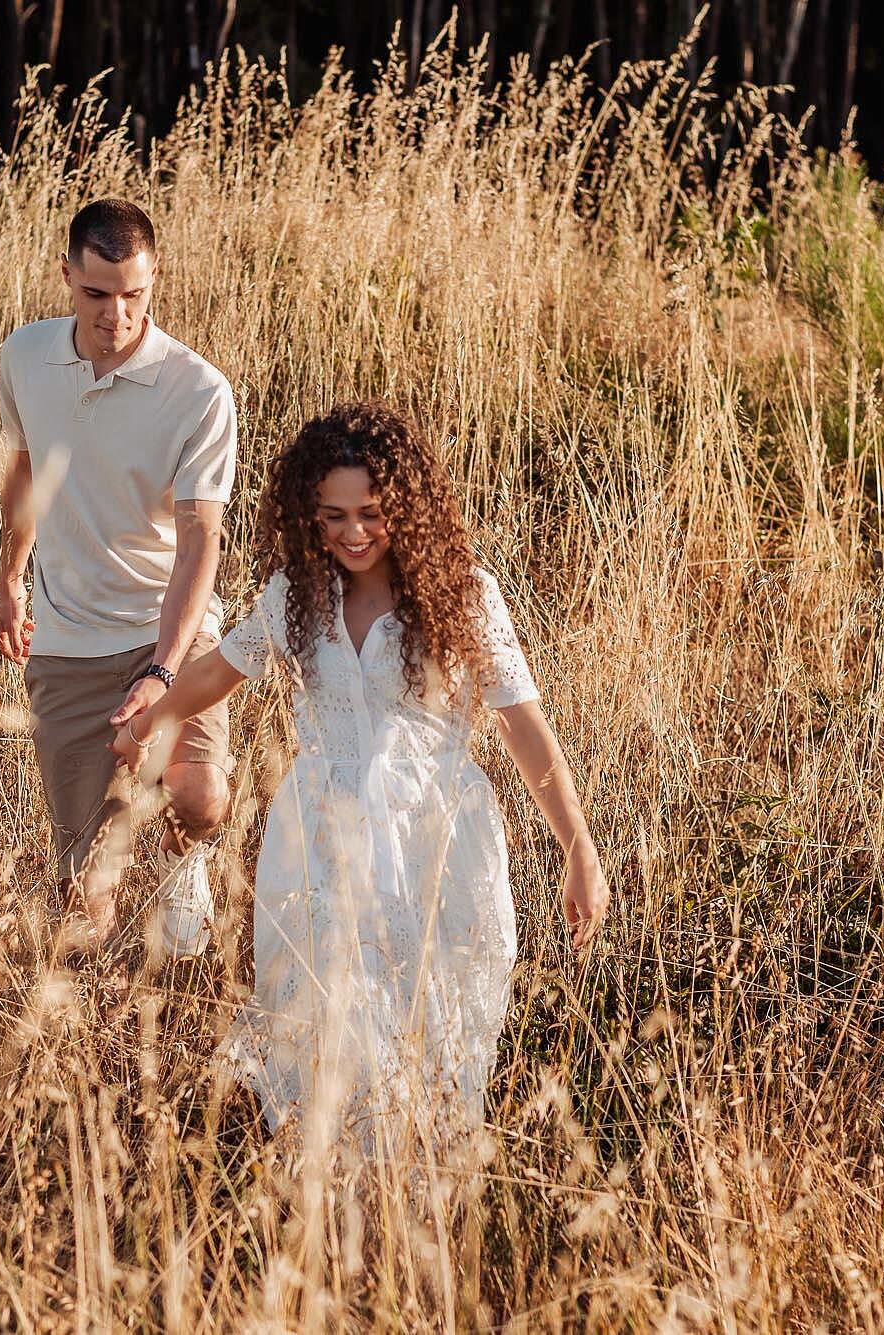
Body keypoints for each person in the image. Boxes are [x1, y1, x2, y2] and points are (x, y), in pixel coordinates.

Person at [111, 401, 608, 1155]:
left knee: (432, 1033)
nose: (352, 533)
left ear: (405, 506)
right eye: (333, 514)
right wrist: (151, 716)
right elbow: (222, 667)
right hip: (322, 839)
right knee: (329, 1030)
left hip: (435, 841)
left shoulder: (465, 597)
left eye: (372, 513)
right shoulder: (296, 597)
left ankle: (420, 1212)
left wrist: (578, 846)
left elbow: (523, 728)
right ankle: (333, 1206)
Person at [0, 198, 237, 956]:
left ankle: (182, 858)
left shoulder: (199, 390)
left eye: (134, 294)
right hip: (68, 641)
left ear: (154, 276)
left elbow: (201, 536)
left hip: (171, 625)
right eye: (96, 294)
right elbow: (24, 470)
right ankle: (92, 1031)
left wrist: (166, 667)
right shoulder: (24, 358)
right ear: (66, 276)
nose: (116, 314)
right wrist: (9, 577)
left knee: (198, 795)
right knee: (83, 904)